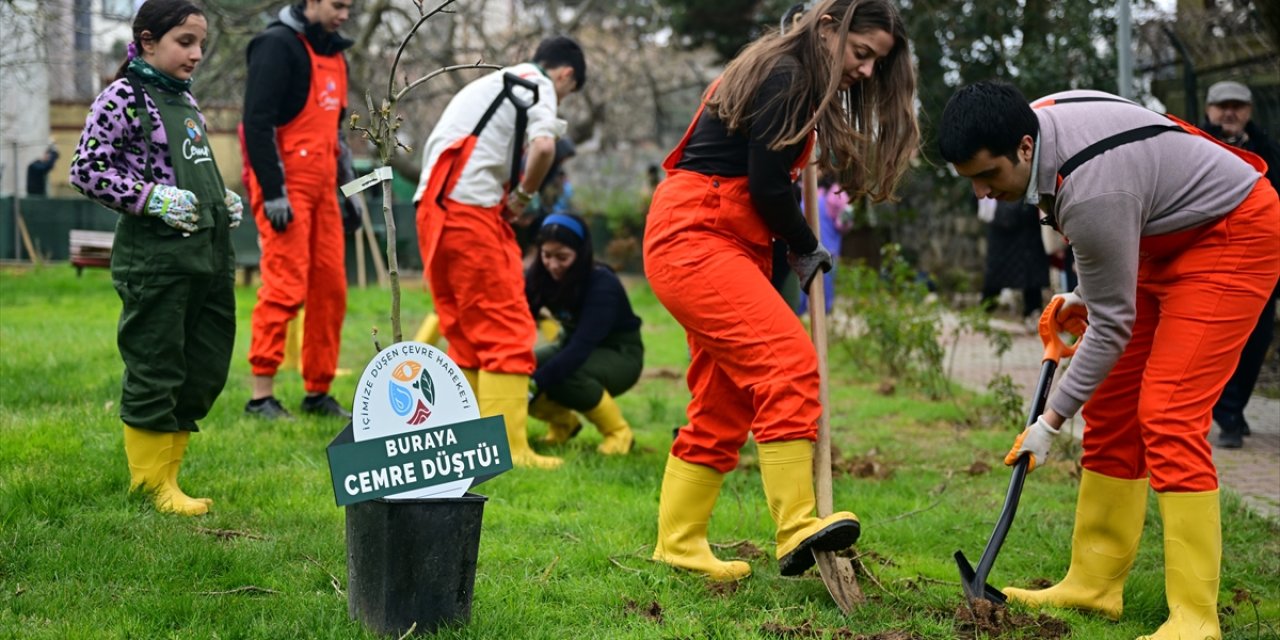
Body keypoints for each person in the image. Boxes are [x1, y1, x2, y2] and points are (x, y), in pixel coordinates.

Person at [939, 81, 1279, 640]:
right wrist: (1087, 289)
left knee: (1168, 414)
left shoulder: (1091, 191)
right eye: (969, 179)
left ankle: (1196, 618)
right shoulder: (1038, 122)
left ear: (1025, 148)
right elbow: (1121, 207)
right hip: (1157, 232)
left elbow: (1111, 324)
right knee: (1114, 404)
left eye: (988, 176)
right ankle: (1095, 582)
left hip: (1230, 234)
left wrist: (1048, 422)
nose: (980, 192)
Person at [644, 0, 918, 581]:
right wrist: (804, 243)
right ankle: (796, 527)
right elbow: (769, 189)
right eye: (860, 53)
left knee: (725, 400)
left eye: (876, 61)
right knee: (788, 363)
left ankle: (679, 542)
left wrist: (780, 256)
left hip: (717, 233)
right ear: (827, 28)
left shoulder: (791, 72)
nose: (866, 71)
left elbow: (761, 190)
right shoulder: (789, 75)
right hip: (697, 233)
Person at [69, 0, 241, 516]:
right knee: (157, 363)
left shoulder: (187, 104)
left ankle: (170, 477)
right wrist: (152, 198)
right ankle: (151, 486)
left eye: (201, 45)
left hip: (207, 255)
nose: (197, 54)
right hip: (157, 259)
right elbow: (87, 169)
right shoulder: (122, 98)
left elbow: (186, 165)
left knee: (201, 364)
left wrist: (220, 197)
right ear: (147, 41)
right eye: (185, 42)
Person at [412, 36, 586, 469]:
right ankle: (509, 450)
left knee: (467, 332)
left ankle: (468, 442)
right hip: (470, 212)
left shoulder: (494, 84)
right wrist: (524, 197)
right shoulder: (538, 84)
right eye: (568, 92)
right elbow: (544, 147)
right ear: (565, 74)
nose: (560, 97)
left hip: (435, 208)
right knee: (507, 325)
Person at [240, 0, 360, 420]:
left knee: (331, 290)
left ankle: (318, 392)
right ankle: (260, 396)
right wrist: (273, 192)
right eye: (338, 5)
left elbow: (338, 136)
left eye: (350, 6)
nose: (345, 13)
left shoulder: (337, 54)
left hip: (325, 187)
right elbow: (255, 123)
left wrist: (351, 191)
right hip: (284, 186)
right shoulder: (275, 45)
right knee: (285, 285)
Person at [1202, 80, 1280, 449]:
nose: (1229, 112)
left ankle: (1234, 407)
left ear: (1249, 110)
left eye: (1237, 105)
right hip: (1208, 261)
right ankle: (1227, 413)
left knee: (1257, 338)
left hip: (1259, 262)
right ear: (1208, 110)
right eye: (1222, 106)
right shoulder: (1194, 146)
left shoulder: (1269, 152)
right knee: (1215, 341)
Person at [525, 213, 642, 455]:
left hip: (619, 353)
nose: (553, 265)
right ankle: (564, 424)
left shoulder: (602, 284)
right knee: (520, 370)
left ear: (580, 254)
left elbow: (580, 348)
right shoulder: (538, 276)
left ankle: (619, 434)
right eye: (547, 255)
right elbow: (521, 317)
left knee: (564, 375)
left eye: (563, 257)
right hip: (568, 343)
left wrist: (536, 384)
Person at [977, 196, 1049, 328]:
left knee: (1031, 279)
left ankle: (1033, 314)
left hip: (1027, 230)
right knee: (995, 277)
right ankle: (982, 312)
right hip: (1004, 228)